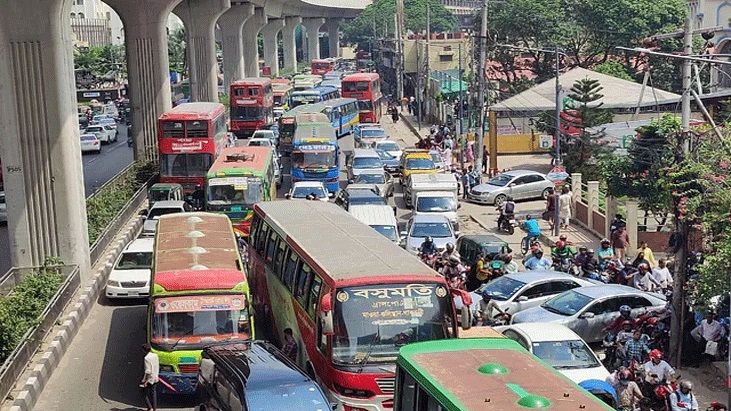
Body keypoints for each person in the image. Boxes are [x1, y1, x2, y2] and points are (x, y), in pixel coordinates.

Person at [140, 343, 159, 411]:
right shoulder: (155, 355)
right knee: (153, 393)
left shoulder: (146, 358)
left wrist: (146, 381)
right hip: (155, 377)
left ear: (144, 350)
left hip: (149, 379)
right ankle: (154, 408)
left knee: (143, 393)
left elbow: (148, 371)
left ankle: (150, 407)